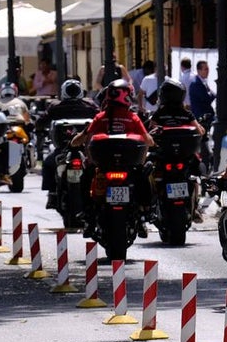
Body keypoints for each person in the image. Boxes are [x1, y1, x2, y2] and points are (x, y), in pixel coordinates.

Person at [71, 80, 156, 238]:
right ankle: (144, 215)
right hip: (128, 168)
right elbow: (148, 141)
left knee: (86, 178)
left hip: (104, 167)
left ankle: (88, 218)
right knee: (144, 176)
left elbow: (82, 139)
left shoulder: (100, 117)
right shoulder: (132, 118)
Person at [146, 77, 206, 223]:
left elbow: (150, 130)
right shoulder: (186, 114)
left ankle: (149, 204)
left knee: (148, 172)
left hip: (163, 156)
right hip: (184, 157)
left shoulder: (159, 114)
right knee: (196, 176)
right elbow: (199, 131)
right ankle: (195, 207)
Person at [38, 79, 100, 207]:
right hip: (85, 150)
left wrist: (39, 127)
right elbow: (100, 118)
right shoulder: (90, 106)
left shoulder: (55, 106)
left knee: (48, 164)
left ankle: (52, 193)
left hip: (64, 149)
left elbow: (40, 122)